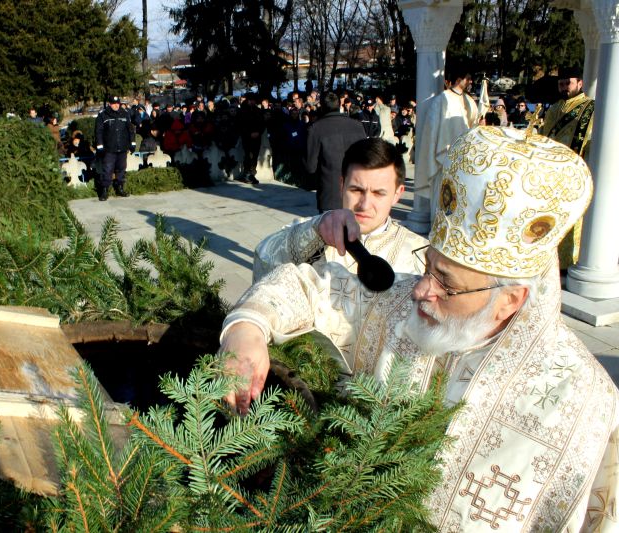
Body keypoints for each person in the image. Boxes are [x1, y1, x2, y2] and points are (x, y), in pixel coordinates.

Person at [219, 126, 618, 531]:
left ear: (510, 300)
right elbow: (312, 285)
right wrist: (247, 327)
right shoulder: (400, 305)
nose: (422, 290)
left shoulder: (586, 402)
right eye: (428, 267)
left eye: (447, 284)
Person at [253, 138, 426, 282]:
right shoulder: (312, 230)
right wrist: (315, 230)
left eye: (378, 193)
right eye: (356, 190)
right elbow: (264, 258)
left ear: (397, 194)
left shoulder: (421, 255)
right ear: (342, 185)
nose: (364, 205)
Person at [539, 66, 595, 272]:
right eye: (561, 84)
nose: (564, 87)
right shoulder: (554, 108)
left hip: (576, 172)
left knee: (573, 219)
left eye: (567, 83)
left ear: (579, 83)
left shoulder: (590, 108)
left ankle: (569, 261)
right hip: (553, 173)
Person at [414, 63, 479, 218]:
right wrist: (433, 152)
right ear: (459, 79)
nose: (470, 82)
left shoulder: (469, 101)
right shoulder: (442, 100)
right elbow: (432, 130)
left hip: (463, 158)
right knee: (442, 197)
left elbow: (473, 125)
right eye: (468, 79)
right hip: (444, 157)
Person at [305, 92, 366, 212]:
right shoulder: (357, 126)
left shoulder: (316, 129)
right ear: (340, 105)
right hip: (357, 190)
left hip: (330, 195)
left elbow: (310, 166)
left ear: (321, 107)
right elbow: (368, 158)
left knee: (332, 229)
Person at [94, 95, 135, 201]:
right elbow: (99, 132)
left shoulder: (125, 114)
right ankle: (104, 191)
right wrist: (100, 146)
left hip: (122, 147)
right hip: (109, 149)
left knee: (121, 168)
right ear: (109, 104)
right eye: (114, 103)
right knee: (107, 169)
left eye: (118, 103)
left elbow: (130, 130)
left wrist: (132, 143)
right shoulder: (103, 115)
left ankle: (120, 188)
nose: (116, 105)